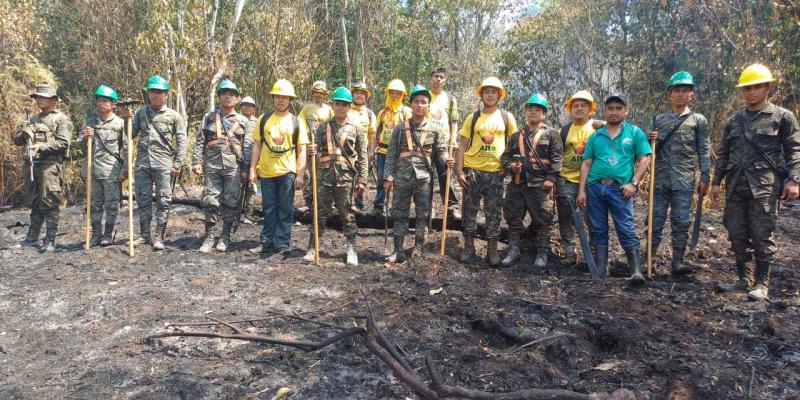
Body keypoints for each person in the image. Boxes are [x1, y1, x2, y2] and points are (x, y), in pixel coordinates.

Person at [711, 64, 800, 301]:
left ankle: (762, 283)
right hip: (735, 185)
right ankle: (744, 280)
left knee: (762, 235)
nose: (751, 92)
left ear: (767, 87)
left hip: (764, 187)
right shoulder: (734, 121)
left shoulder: (782, 117)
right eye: (746, 88)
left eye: (756, 87)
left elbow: (795, 151)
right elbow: (724, 154)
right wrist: (716, 182)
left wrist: (794, 180)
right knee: (736, 234)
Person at [577, 94, 651, 283]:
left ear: (626, 111)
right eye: (610, 108)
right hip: (595, 188)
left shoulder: (634, 133)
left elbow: (645, 159)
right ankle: (601, 269)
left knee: (625, 227)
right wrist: (582, 190)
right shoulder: (596, 136)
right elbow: (586, 163)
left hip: (620, 189)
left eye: (619, 108)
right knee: (598, 228)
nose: (614, 112)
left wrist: (634, 183)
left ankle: (635, 270)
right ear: (605, 111)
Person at [646, 71, 710, 275]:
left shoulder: (698, 120)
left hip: (684, 179)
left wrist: (706, 176)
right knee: (655, 219)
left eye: (685, 91)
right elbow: (647, 150)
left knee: (681, 220)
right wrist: (650, 139)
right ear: (669, 94)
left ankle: (678, 261)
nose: (680, 94)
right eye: (676, 91)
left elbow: (703, 149)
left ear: (691, 94)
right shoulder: (658, 120)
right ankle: (649, 258)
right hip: (660, 179)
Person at [383, 85, 451, 263]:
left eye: (424, 102)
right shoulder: (400, 129)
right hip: (402, 177)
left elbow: (441, 151)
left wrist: (447, 160)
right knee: (399, 213)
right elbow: (391, 154)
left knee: (423, 214)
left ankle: (418, 248)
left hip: (424, 179)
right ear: (411, 104)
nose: (420, 105)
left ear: (429, 105)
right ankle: (398, 250)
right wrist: (388, 175)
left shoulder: (436, 129)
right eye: (417, 102)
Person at [120, 75, 188, 251]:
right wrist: (125, 121)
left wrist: (178, 164)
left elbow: (182, 141)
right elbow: (129, 135)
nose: (156, 95)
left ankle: (159, 236)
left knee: (164, 200)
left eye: (160, 92)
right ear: (148, 93)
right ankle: (144, 235)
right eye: (153, 91)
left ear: (166, 94)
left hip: (164, 164)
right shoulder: (140, 113)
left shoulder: (174, 116)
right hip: (143, 164)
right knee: (142, 199)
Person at [303, 87, 368, 265]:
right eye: (337, 104)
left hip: (346, 178)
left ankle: (351, 249)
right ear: (333, 105)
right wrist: (311, 150)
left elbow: (363, 156)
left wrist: (363, 179)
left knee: (347, 214)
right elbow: (314, 151)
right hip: (324, 177)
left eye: (344, 105)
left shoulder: (357, 129)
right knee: (319, 213)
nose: (341, 107)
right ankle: (312, 247)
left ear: (349, 107)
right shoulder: (323, 127)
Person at [456, 77, 517, 266]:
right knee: (469, 211)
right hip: (473, 171)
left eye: (493, 92)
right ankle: (469, 246)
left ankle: (492, 249)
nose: (490, 95)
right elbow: (462, 145)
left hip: (495, 173)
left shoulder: (507, 118)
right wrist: (459, 170)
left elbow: (514, 146)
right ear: (481, 95)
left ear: (499, 95)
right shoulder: (473, 118)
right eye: (486, 92)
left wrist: (507, 168)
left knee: (494, 212)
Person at [500, 93, 563, 268]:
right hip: (517, 185)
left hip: (540, 185)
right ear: (525, 113)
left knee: (543, 219)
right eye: (530, 110)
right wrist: (512, 166)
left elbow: (557, 158)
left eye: (537, 110)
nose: (533, 113)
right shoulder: (515, 136)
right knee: (513, 218)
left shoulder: (551, 135)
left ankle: (542, 253)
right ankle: (513, 250)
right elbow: (505, 157)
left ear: (544, 114)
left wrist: (551, 178)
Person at [249, 79, 309, 259]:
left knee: (285, 208)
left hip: (287, 173)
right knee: (268, 208)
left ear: (290, 100)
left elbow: (301, 150)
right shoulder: (263, 119)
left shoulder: (297, 122)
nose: (280, 100)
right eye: (277, 97)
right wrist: (253, 169)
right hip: (266, 172)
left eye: (284, 97)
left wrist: (300, 174)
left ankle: (282, 242)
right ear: (273, 98)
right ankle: (266, 241)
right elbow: (257, 146)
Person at [191, 79, 252, 253]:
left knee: (231, 202)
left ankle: (225, 236)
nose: (228, 97)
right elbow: (200, 141)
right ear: (219, 97)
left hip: (234, 167)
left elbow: (247, 147)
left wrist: (246, 169)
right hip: (211, 166)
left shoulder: (243, 121)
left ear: (237, 98)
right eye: (224, 93)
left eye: (232, 94)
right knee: (210, 200)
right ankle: (209, 237)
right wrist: (196, 162)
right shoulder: (209, 117)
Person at [15, 84, 73, 251]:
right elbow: (18, 141)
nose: (39, 100)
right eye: (37, 97)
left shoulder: (60, 119)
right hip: (32, 165)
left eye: (43, 97)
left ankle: (50, 240)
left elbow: (63, 143)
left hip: (50, 165)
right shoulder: (32, 119)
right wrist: (24, 132)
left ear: (53, 100)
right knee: (34, 202)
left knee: (49, 202)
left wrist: (43, 147)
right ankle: (32, 238)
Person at [76, 85, 125, 247]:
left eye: (105, 101)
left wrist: (125, 171)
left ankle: (108, 234)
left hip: (111, 170)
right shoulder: (90, 122)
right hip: (91, 170)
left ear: (113, 104)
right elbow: (79, 147)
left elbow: (126, 148)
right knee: (94, 205)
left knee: (111, 204)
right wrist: (85, 137)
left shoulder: (120, 123)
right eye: (98, 100)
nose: (101, 104)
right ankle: (95, 234)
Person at [556, 90, 599, 264]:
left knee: (593, 218)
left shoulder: (597, 128)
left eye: (583, 105)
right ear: (570, 109)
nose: (579, 108)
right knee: (566, 217)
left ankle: (595, 253)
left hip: (591, 181)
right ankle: (569, 252)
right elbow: (557, 155)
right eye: (575, 105)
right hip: (566, 179)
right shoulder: (563, 131)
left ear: (590, 109)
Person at [371, 79, 411, 217]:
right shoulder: (382, 112)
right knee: (382, 178)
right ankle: (379, 206)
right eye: (392, 93)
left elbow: (410, 134)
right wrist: (372, 151)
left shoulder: (406, 112)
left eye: (397, 93)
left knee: (399, 180)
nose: (394, 96)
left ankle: (396, 207)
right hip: (382, 151)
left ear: (402, 95)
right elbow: (377, 134)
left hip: (399, 153)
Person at [428, 67, 462, 219]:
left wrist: (453, 139)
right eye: (436, 76)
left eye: (442, 77)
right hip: (425, 142)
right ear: (431, 78)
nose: (439, 79)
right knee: (426, 175)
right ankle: (428, 208)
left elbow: (453, 122)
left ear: (445, 80)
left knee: (446, 173)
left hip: (443, 141)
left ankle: (452, 207)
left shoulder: (449, 99)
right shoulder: (424, 96)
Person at [298, 81, 334, 214]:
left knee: (322, 174)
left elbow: (332, 125)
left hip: (323, 145)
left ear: (325, 95)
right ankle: (309, 203)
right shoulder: (307, 108)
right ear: (313, 93)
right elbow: (300, 122)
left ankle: (322, 203)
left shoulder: (329, 109)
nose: (318, 96)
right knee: (308, 174)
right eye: (316, 93)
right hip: (308, 143)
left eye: (321, 93)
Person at [348, 82, 377, 211]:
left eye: (362, 93)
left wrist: (371, 153)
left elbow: (372, 135)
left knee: (361, 178)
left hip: (363, 152)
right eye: (357, 92)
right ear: (352, 94)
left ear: (366, 96)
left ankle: (359, 205)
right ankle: (345, 205)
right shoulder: (346, 109)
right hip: (346, 151)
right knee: (346, 179)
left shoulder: (370, 114)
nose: (359, 95)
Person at [239, 95, 260, 223]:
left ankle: (248, 214)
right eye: (245, 105)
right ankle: (235, 213)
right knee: (237, 188)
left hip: (253, 160)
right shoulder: (235, 119)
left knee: (251, 188)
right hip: (237, 159)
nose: (247, 107)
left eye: (250, 105)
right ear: (240, 107)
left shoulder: (258, 122)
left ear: (254, 108)